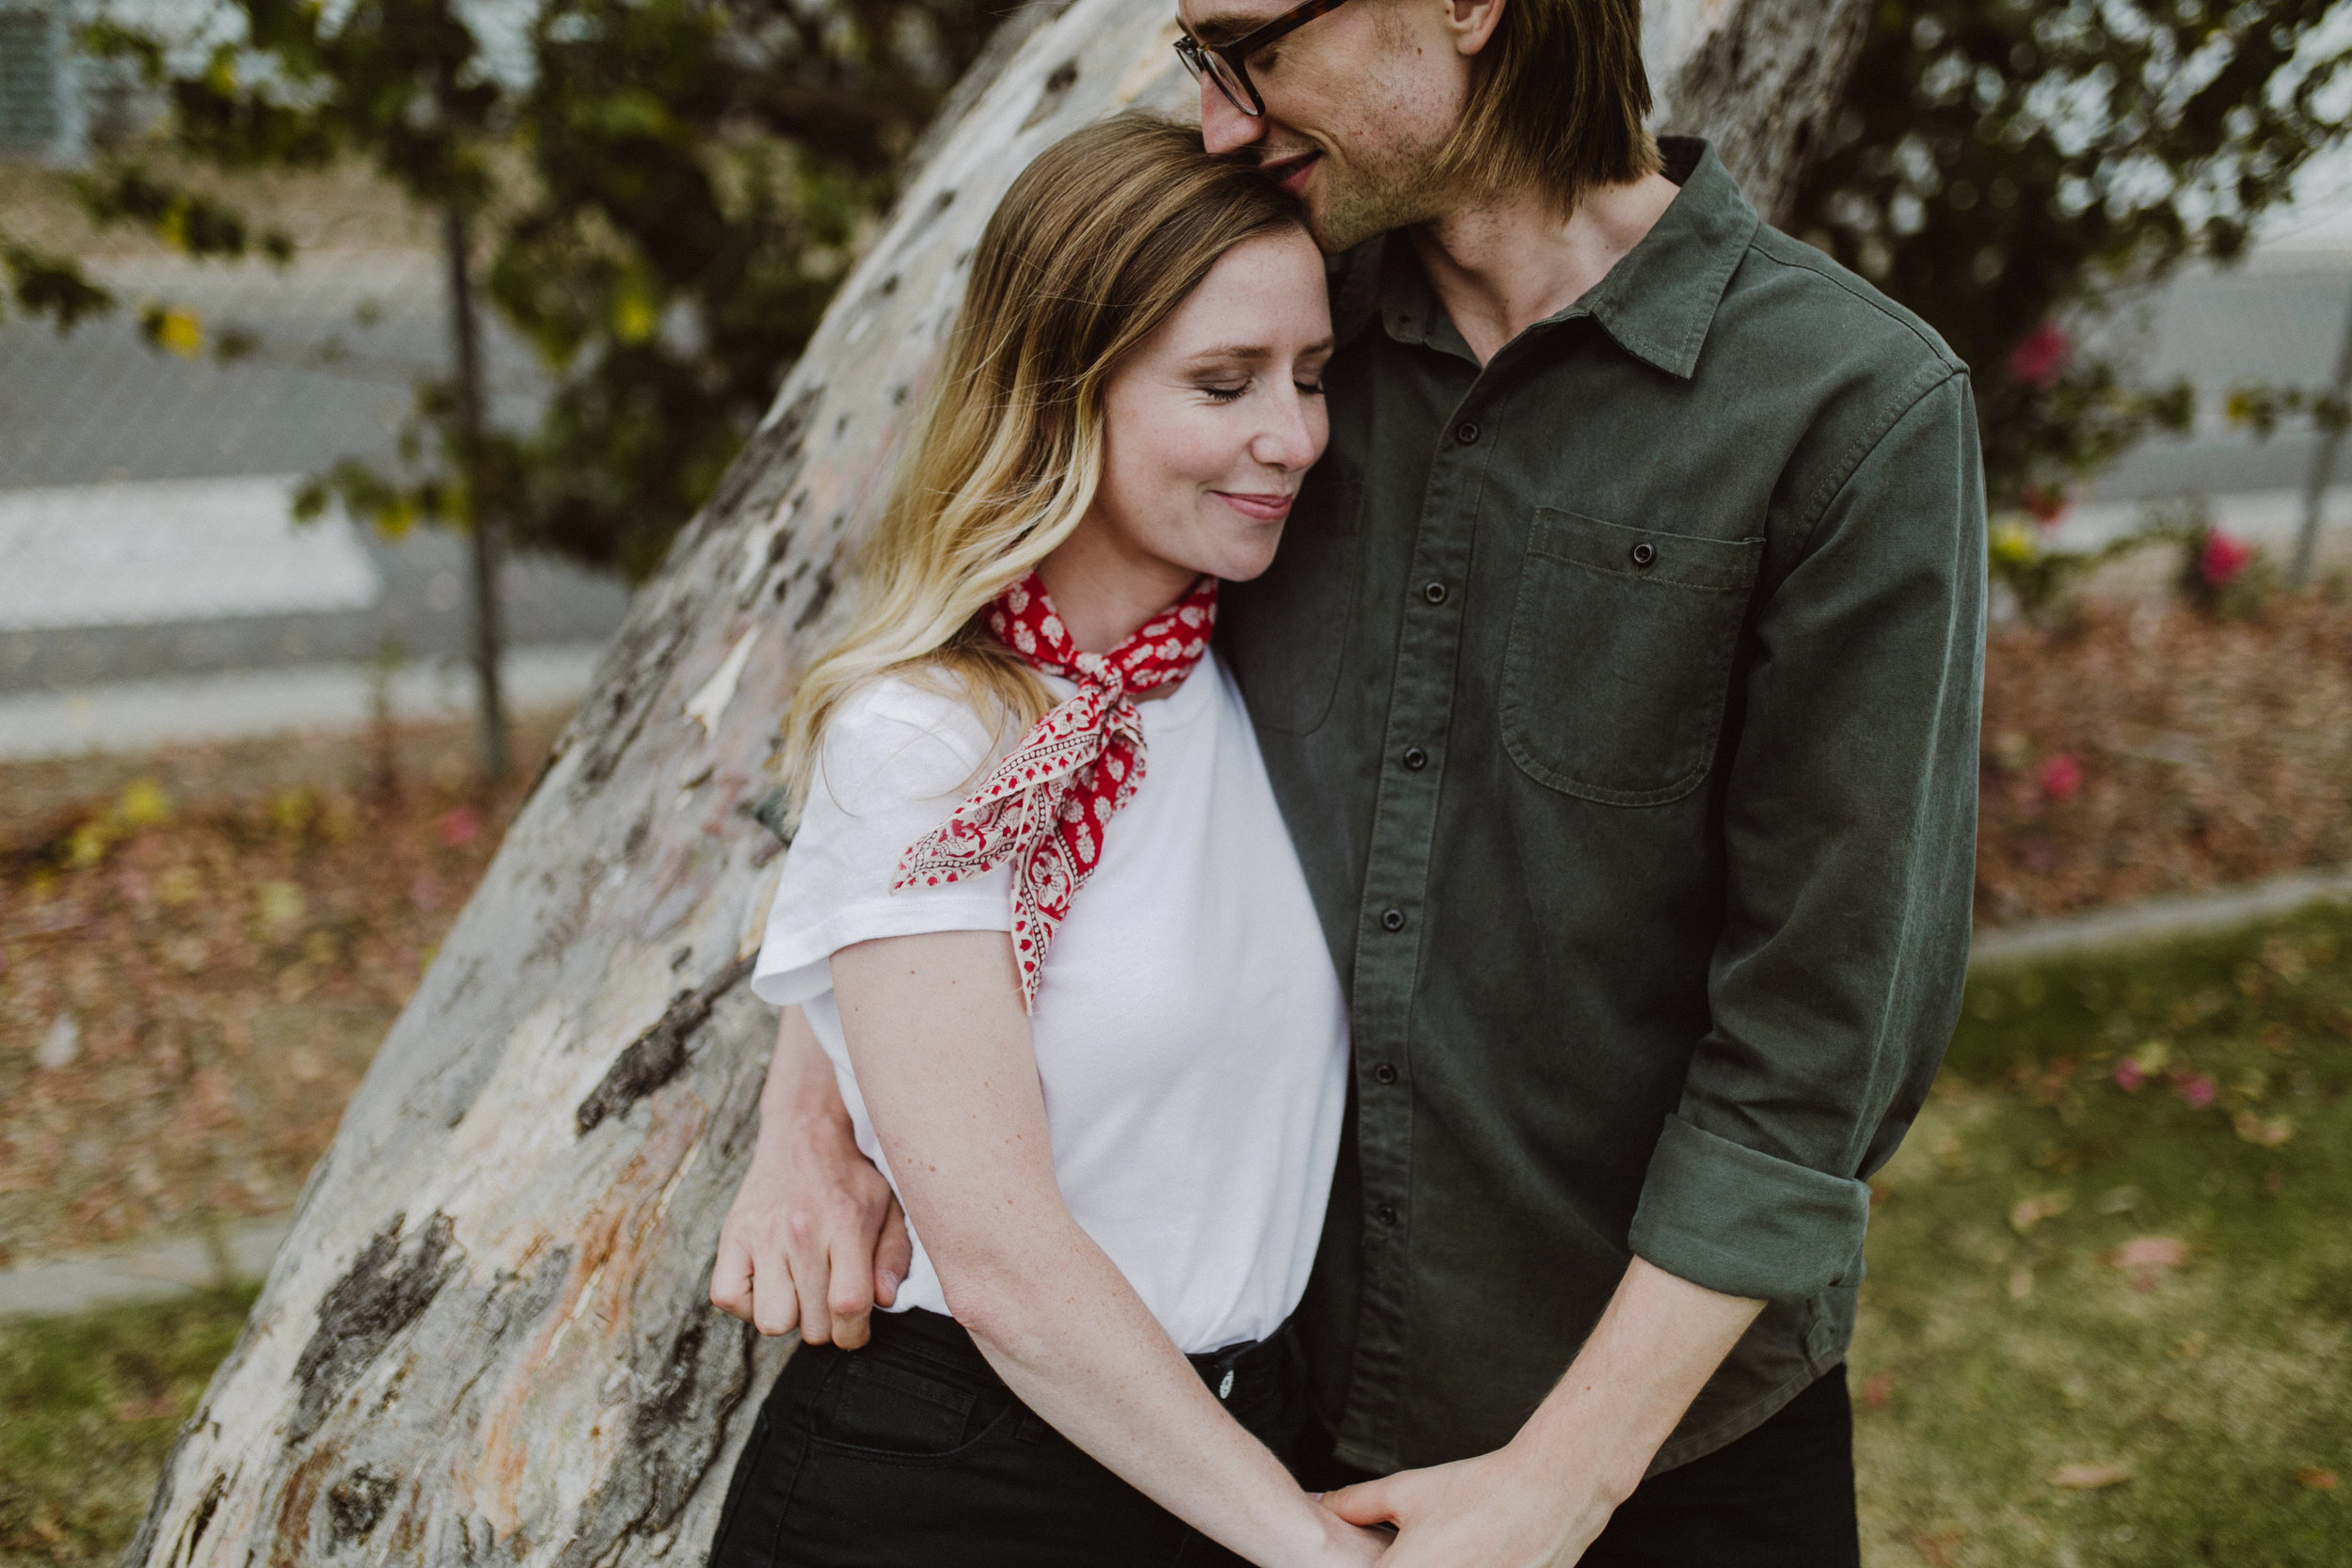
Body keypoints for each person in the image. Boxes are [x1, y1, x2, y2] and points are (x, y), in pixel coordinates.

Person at [740, 0, 1989, 1562]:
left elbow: (1822, 1046)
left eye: (1247, 46)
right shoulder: (1269, 320)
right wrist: (821, 1110)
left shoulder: (1849, 412)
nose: (1217, 119)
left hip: (1670, 1449)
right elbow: (994, 659)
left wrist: (1564, 1482)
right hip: (1277, 1439)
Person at [705, 115, 1389, 1568]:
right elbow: (1007, 1268)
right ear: (1065, 388)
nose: (1297, 435)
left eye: (1312, 376)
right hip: (964, 1486)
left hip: (1235, 1448)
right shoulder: (928, 740)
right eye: (1224, 383)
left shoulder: (1254, 658)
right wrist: (1317, 1555)